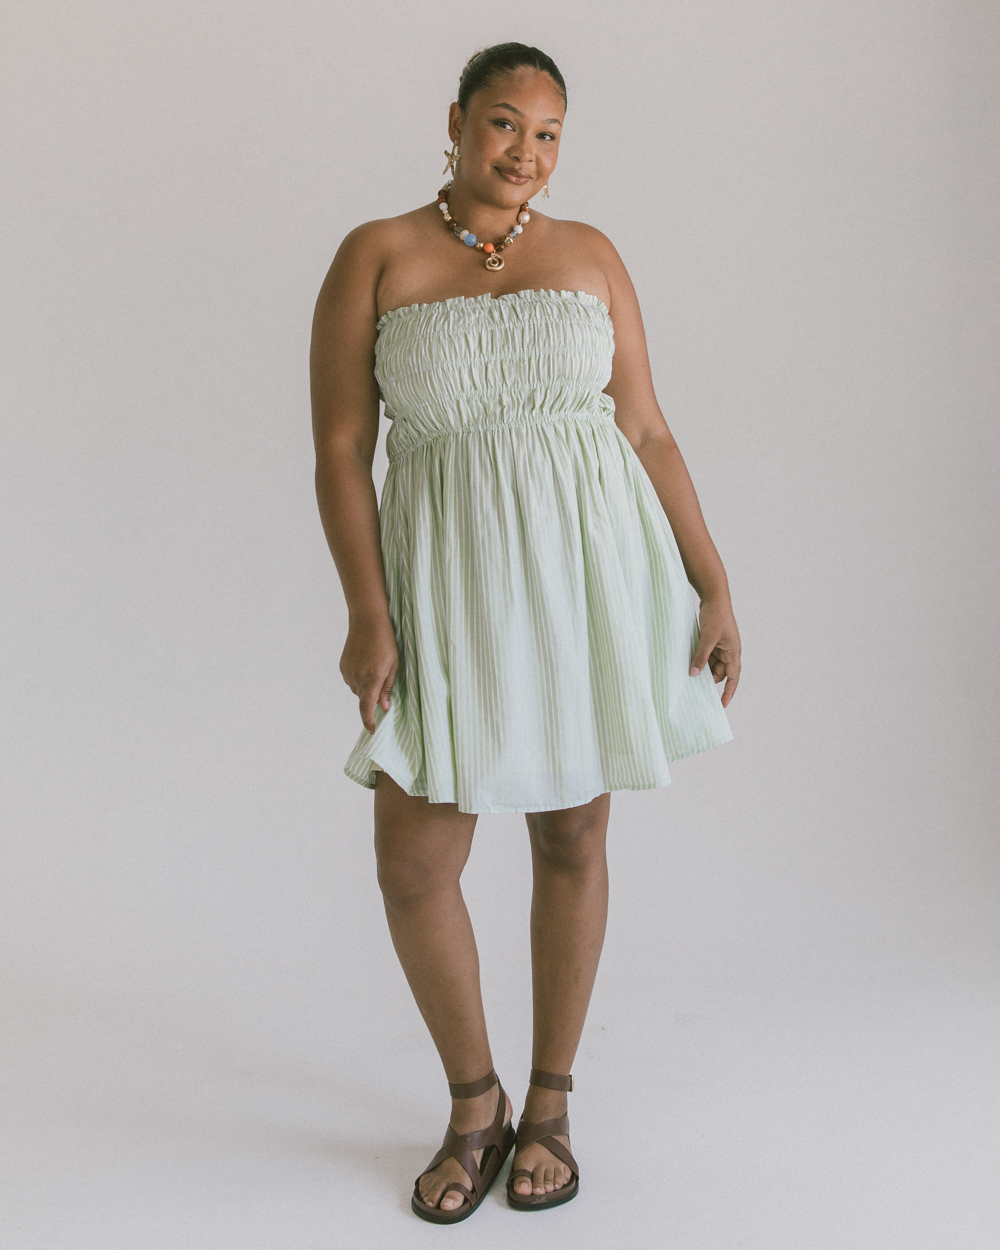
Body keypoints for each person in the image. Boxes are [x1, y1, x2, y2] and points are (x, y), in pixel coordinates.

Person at [310, 42, 741, 1223]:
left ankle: (548, 1101)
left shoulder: (590, 254)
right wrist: (366, 609)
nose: (525, 153)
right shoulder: (377, 253)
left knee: (572, 831)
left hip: (588, 580)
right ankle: (474, 1101)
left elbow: (646, 430)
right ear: (455, 120)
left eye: (548, 134)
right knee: (414, 861)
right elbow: (341, 450)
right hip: (443, 586)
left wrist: (710, 580)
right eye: (504, 124)